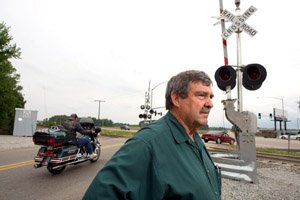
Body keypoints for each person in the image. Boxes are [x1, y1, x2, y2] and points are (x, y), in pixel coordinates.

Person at [83, 70, 221, 200]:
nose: (210, 104)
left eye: (211, 97)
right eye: (201, 95)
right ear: (176, 98)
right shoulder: (148, 143)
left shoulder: (194, 137)